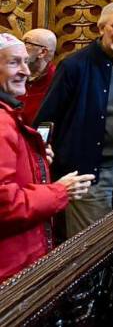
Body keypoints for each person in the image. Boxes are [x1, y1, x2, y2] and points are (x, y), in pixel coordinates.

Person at [35, 0, 113, 236]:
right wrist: (41, 162)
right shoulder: (74, 66)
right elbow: (46, 118)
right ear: (102, 28)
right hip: (88, 174)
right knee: (90, 247)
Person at [0, 34, 94, 281]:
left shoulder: (8, 113)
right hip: (10, 267)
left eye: (24, 61)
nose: (25, 71)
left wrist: (35, 160)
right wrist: (60, 191)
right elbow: (5, 204)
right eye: (13, 63)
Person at [20, 29, 58, 124]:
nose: (19, 47)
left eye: (26, 43)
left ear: (42, 52)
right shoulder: (13, 75)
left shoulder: (58, 80)